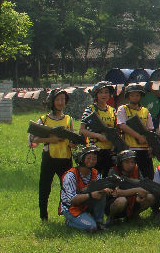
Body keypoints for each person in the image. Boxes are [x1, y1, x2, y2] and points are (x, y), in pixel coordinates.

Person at [32, 88, 76, 221]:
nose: (61, 102)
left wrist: (73, 143)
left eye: (63, 99)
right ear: (52, 101)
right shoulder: (43, 119)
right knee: (45, 188)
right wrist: (52, 139)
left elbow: (72, 137)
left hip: (66, 158)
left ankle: (68, 214)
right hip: (49, 158)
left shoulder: (68, 119)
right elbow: (34, 139)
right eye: (58, 99)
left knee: (68, 188)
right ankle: (43, 216)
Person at [60, 145, 110, 232]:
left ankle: (99, 222)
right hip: (71, 208)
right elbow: (73, 200)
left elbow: (99, 190)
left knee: (101, 193)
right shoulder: (70, 175)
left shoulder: (95, 173)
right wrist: (90, 195)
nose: (91, 161)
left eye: (94, 159)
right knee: (91, 227)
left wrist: (106, 190)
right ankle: (69, 222)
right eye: (88, 158)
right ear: (81, 159)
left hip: (85, 204)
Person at [116, 82, 156, 179]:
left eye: (137, 95)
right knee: (129, 177)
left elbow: (150, 129)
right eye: (132, 95)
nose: (135, 97)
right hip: (128, 149)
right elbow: (122, 125)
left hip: (144, 149)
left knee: (148, 176)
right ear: (128, 96)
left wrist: (151, 146)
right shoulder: (122, 109)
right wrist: (138, 137)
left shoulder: (145, 111)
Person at [79, 81, 118, 177]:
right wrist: (98, 136)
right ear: (96, 94)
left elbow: (116, 130)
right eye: (101, 92)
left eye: (106, 92)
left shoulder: (113, 110)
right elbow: (82, 130)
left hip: (109, 151)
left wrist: (115, 144)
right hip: (94, 151)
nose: (104, 95)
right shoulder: (90, 109)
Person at [106, 150, 156, 222]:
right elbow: (116, 192)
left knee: (150, 197)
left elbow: (143, 186)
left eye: (132, 162)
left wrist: (140, 195)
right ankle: (111, 218)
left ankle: (133, 216)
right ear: (120, 163)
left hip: (133, 201)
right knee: (121, 201)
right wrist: (136, 190)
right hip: (115, 202)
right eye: (127, 162)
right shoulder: (114, 171)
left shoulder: (136, 170)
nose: (130, 165)